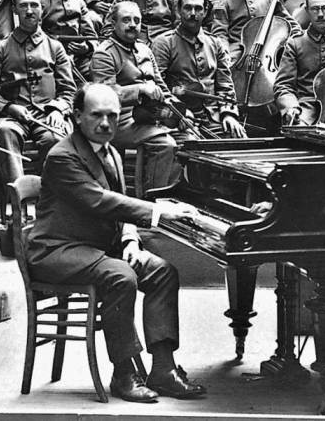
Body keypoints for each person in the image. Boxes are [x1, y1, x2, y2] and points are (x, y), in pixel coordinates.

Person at [28, 83, 207, 403]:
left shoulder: (108, 149)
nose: (106, 123)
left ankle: (163, 370)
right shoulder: (62, 157)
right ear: (77, 117)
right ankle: (123, 374)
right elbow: (99, 202)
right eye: (97, 115)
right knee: (120, 276)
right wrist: (159, 211)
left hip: (98, 248)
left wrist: (129, 239)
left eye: (113, 115)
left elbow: (121, 202)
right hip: (58, 250)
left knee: (162, 271)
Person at [0, 0, 78, 191]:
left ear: (42, 9)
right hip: (11, 117)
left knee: (55, 138)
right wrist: (8, 107)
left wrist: (57, 109)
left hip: (46, 116)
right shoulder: (0, 47)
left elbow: (70, 91)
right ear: (15, 9)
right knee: (6, 132)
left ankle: (49, 201)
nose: (29, 11)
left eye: (34, 5)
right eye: (23, 6)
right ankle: (18, 205)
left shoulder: (55, 48)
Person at [88, 1, 180, 193]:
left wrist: (176, 107)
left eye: (136, 20)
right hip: (118, 121)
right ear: (113, 23)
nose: (132, 25)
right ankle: (152, 202)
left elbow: (161, 86)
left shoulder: (145, 49)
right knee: (165, 144)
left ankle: (176, 197)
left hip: (149, 116)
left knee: (189, 138)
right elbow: (106, 95)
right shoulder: (104, 54)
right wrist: (140, 89)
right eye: (126, 20)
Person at [151, 0, 246, 137]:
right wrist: (179, 112)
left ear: (206, 11)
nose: (193, 13)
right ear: (178, 10)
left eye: (198, 8)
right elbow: (157, 86)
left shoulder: (215, 43)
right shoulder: (164, 43)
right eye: (188, 8)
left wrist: (229, 114)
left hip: (213, 118)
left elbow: (225, 85)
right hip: (180, 121)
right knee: (190, 148)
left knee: (238, 138)